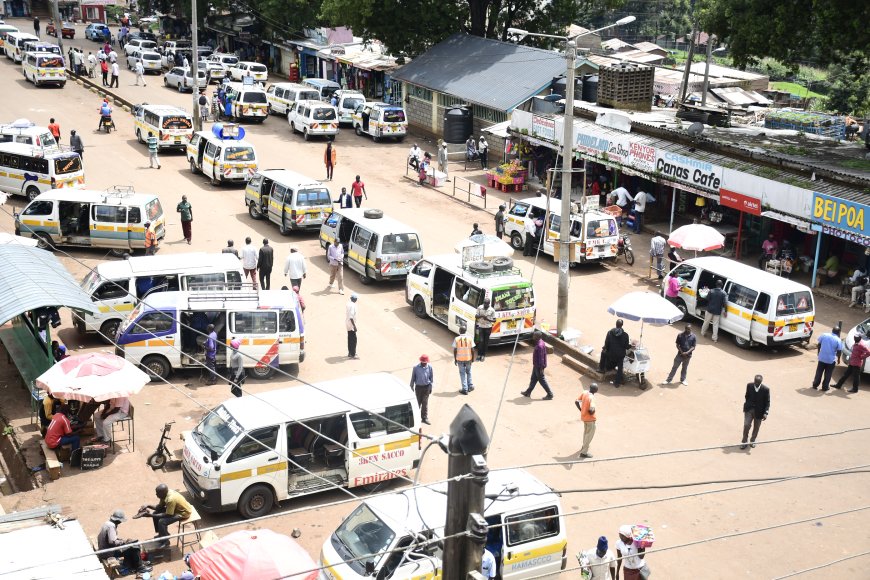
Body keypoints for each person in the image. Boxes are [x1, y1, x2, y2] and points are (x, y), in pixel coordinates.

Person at [134, 484, 193, 549]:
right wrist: (147, 505)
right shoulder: (164, 495)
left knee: (162, 521)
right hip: (175, 509)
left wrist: (149, 515)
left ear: (162, 493)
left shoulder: (170, 499)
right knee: (155, 513)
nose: (156, 494)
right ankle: (161, 534)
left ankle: (166, 541)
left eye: (157, 493)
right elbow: (158, 507)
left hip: (183, 512)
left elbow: (168, 514)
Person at [97, 510, 150, 574]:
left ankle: (131, 563)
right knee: (134, 547)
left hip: (105, 549)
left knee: (129, 545)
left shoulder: (107, 523)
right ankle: (140, 567)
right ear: (117, 520)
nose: (120, 522)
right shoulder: (111, 526)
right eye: (120, 521)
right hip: (108, 552)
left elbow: (111, 539)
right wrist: (124, 542)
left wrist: (123, 541)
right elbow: (112, 541)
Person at [522, 330, 554, 399]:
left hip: (539, 366)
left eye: (534, 335)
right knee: (533, 378)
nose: (533, 336)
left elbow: (541, 358)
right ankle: (528, 392)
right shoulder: (541, 342)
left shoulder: (539, 346)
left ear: (537, 337)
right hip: (536, 365)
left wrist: (541, 368)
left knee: (542, 380)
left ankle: (550, 394)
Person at [741, 374, 770, 449]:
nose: (756, 384)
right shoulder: (749, 385)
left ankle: (752, 440)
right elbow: (747, 396)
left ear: (761, 382)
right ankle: (744, 442)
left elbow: (767, 402)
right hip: (749, 410)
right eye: (755, 382)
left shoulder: (765, 389)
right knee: (746, 425)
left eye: (758, 383)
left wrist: (765, 413)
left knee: (756, 427)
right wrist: (748, 405)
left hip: (759, 412)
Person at [601, 320, 630, 387]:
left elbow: (606, 344)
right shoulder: (625, 335)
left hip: (611, 354)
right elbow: (626, 346)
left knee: (603, 352)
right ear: (622, 325)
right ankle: (617, 383)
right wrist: (631, 346)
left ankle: (601, 369)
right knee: (620, 368)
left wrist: (607, 350)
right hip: (620, 356)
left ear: (616, 324)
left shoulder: (610, 332)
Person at [812, 326, 842, 391]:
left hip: (822, 358)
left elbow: (819, 344)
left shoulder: (824, 335)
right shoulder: (838, 340)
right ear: (839, 332)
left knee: (819, 372)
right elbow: (839, 351)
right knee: (828, 374)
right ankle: (825, 387)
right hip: (831, 360)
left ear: (832, 330)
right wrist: (839, 359)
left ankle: (815, 384)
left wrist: (818, 352)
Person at [575, 382, 598, 458]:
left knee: (585, 433)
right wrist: (592, 411)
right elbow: (592, 410)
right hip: (590, 420)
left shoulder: (585, 392)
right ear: (596, 390)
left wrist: (581, 410)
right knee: (589, 435)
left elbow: (576, 402)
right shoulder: (592, 398)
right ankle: (584, 453)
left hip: (584, 417)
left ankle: (583, 446)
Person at [409, 354, 433, 425]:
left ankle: (424, 418)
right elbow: (413, 377)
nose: (424, 364)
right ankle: (414, 418)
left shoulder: (430, 367)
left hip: (426, 387)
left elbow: (431, 378)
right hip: (418, 388)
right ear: (421, 362)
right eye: (423, 362)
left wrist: (430, 387)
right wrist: (411, 386)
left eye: (425, 362)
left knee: (425, 403)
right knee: (417, 403)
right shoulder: (416, 368)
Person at [453, 322, 476, 395]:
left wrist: (455, 359)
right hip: (468, 359)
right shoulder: (470, 338)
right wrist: (472, 359)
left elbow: (455, 350)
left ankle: (465, 389)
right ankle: (470, 386)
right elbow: (473, 350)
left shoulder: (456, 339)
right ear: (465, 331)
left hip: (460, 359)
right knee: (469, 372)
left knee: (462, 373)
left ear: (459, 331)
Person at [346, 293, 359, 359]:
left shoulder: (348, 303)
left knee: (349, 338)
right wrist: (354, 326)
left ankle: (350, 353)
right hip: (351, 325)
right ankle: (353, 354)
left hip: (347, 324)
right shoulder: (353, 306)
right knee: (354, 340)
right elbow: (351, 317)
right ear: (355, 299)